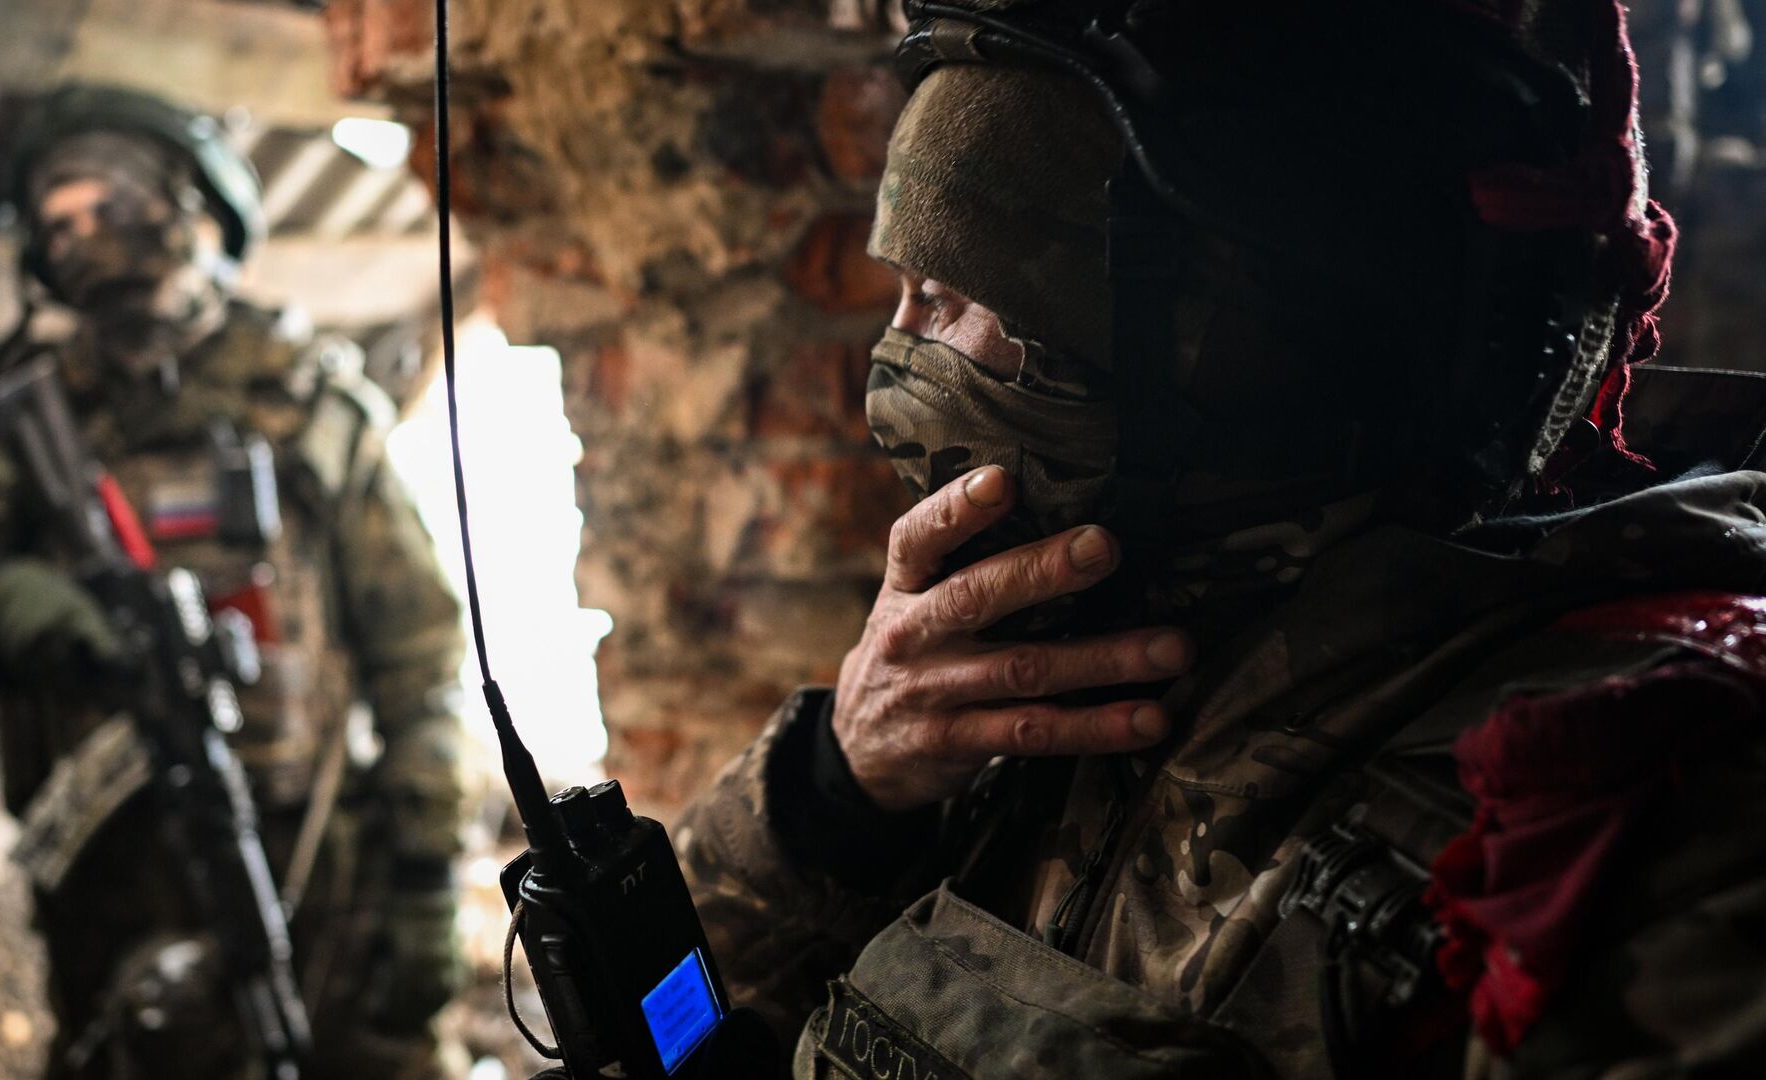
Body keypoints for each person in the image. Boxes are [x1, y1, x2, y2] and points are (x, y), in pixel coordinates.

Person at [675, 1, 1766, 1076]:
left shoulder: (1619, 833)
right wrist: (838, 790)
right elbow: (664, 1045)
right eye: (901, 295)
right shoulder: (1015, 680)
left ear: (1227, 344)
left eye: (942, 297)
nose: (892, 364)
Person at [0, 85, 472, 1079]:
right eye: (58, 226)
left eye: (111, 205)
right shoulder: (22, 435)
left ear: (196, 209)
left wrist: (427, 877)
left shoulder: (306, 406)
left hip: (324, 874)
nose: (86, 241)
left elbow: (423, 664)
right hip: (117, 905)